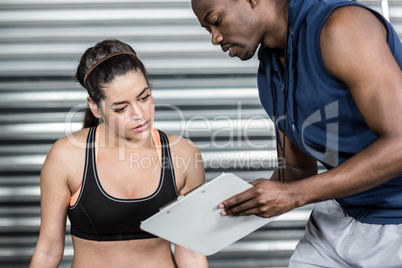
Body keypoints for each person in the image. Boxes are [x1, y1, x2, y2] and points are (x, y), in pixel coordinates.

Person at [192, 0, 402, 267]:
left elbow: (399, 145)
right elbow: (296, 170)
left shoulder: (341, 26)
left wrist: (293, 195)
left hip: (396, 222)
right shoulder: (271, 68)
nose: (215, 38)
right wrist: (241, 202)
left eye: (216, 20)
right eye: (206, 28)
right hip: (338, 216)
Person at [30, 39, 208, 268]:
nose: (139, 114)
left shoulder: (183, 154)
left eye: (144, 97)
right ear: (95, 107)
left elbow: (191, 253)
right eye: (121, 108)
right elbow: (47, 251)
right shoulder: (67, 157)